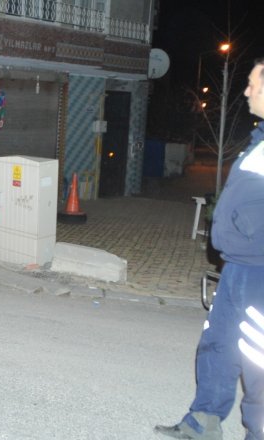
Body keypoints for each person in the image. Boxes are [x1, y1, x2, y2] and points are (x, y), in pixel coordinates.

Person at [155, 57, 264, 440]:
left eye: (253, 83)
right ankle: (204, 420)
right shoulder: (259, 141)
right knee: (218, 343)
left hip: (260, 271)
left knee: (258, 362)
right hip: (238, 265)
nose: (247, 90)